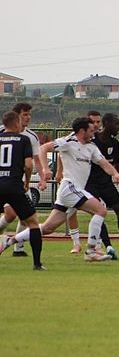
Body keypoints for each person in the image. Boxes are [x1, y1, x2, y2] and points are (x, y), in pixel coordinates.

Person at [4, 117, 119, 262]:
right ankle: (91, 251)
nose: (94, 134)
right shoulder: (68, 141)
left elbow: (104, 163)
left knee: (48, 228)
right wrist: (46, 169)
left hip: (72, 192)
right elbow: (43, 148)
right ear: (82, 131)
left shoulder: (91, 147)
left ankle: (9, 241)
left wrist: (115, 174)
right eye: (91, 131)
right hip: (70, 187)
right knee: (100, 210)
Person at [0, 102, 50, 257]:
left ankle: (18, 248)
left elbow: (36, 160)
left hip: (17, 182)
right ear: (16, 117)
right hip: (14, 183)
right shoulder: (6, 133)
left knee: (23, 218)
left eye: (29, 115)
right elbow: (28, 164)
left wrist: (42, 178)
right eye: (25, 115)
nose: (28, 118)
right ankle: (6, 242)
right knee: (12, 215)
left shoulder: (31, 136)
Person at [86, 113, 119, 260]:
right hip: (90, 184)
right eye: (117, 124)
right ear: (107, 123)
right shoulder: (92, 141)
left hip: (106, 183)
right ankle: (108, 247)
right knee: (99, 212)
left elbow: (116, 162)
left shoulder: (114, 143)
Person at [56, 110, 102, 254]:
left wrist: (114, 174)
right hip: (74, 182)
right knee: (87, 210)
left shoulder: (97, 139)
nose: (96, 125)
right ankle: (78, 244)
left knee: (98, 211)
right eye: (93, 122)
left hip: (90, 180)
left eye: (98, 122)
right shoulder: (73, 139)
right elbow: (61, 153)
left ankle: (97, 245)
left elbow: (103, 161)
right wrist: (59, 171)